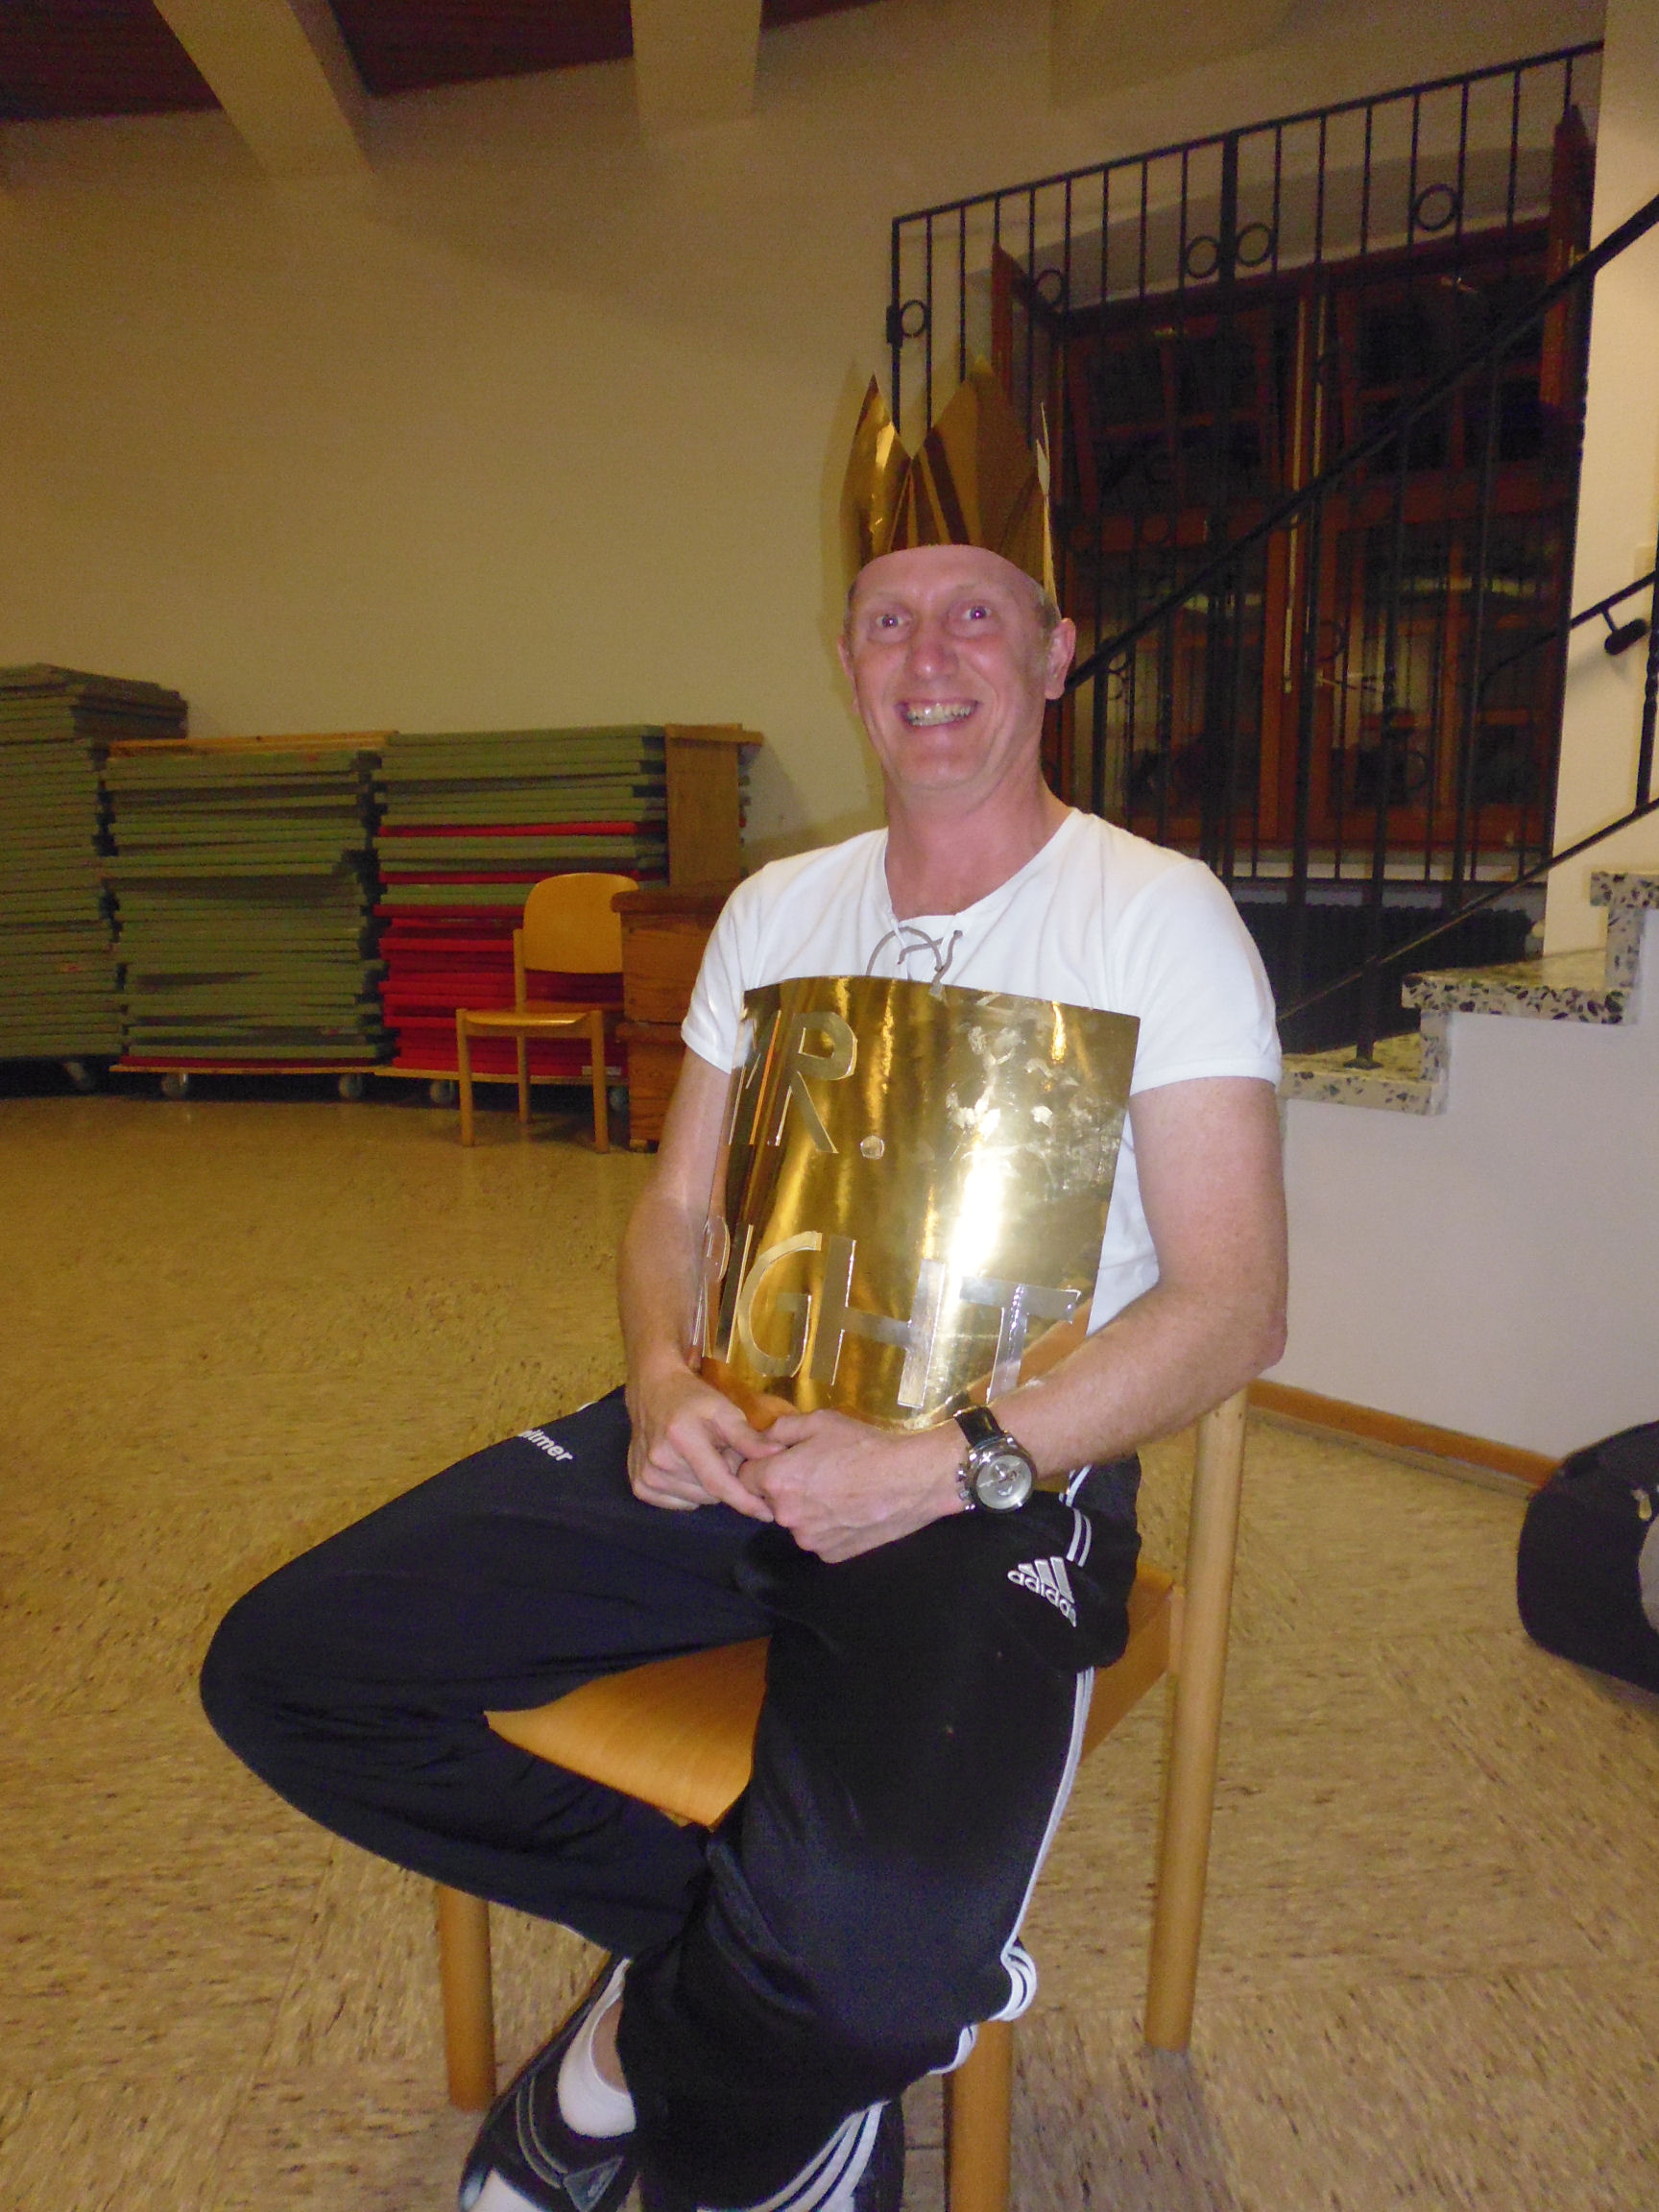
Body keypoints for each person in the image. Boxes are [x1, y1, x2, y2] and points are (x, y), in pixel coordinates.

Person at [201, 371, 1286, 2212]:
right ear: (845, 658)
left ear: (1054, 654)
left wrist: (939, 1463)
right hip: (724, 1444)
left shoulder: (1151, 912)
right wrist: (655, 1377)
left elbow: (1234, 1306)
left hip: (986, 1486)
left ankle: (649, 2057)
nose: (928, 657)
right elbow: (679, 1212)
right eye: (888, 618)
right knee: (290, 1673)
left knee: (880, 1965)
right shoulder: (781, 909)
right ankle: (756, 1983)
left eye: (975, 615)